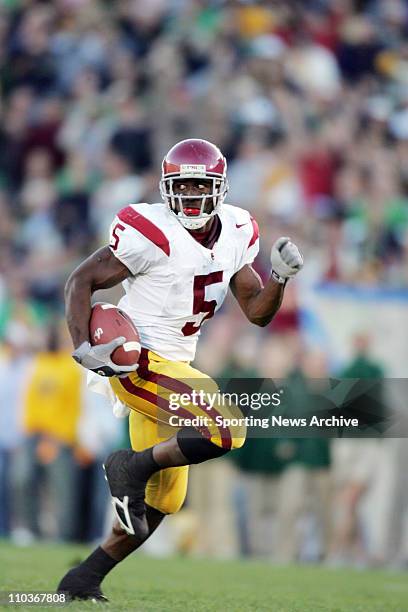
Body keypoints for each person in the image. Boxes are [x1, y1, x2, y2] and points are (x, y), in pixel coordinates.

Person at [57, 138, 303, 601]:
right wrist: (82, 345)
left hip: (176, 366)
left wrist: (281, 279)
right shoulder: (149, 229)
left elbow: (257, 311)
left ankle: (81, 579)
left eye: (200, 185)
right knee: (226, 427)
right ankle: (127, 467)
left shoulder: (236, 229)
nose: (191, 195)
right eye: (182, 185)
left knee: (161, 503)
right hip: (134, 360)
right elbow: (81, 279)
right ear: (167, 188)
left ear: (220, 188)